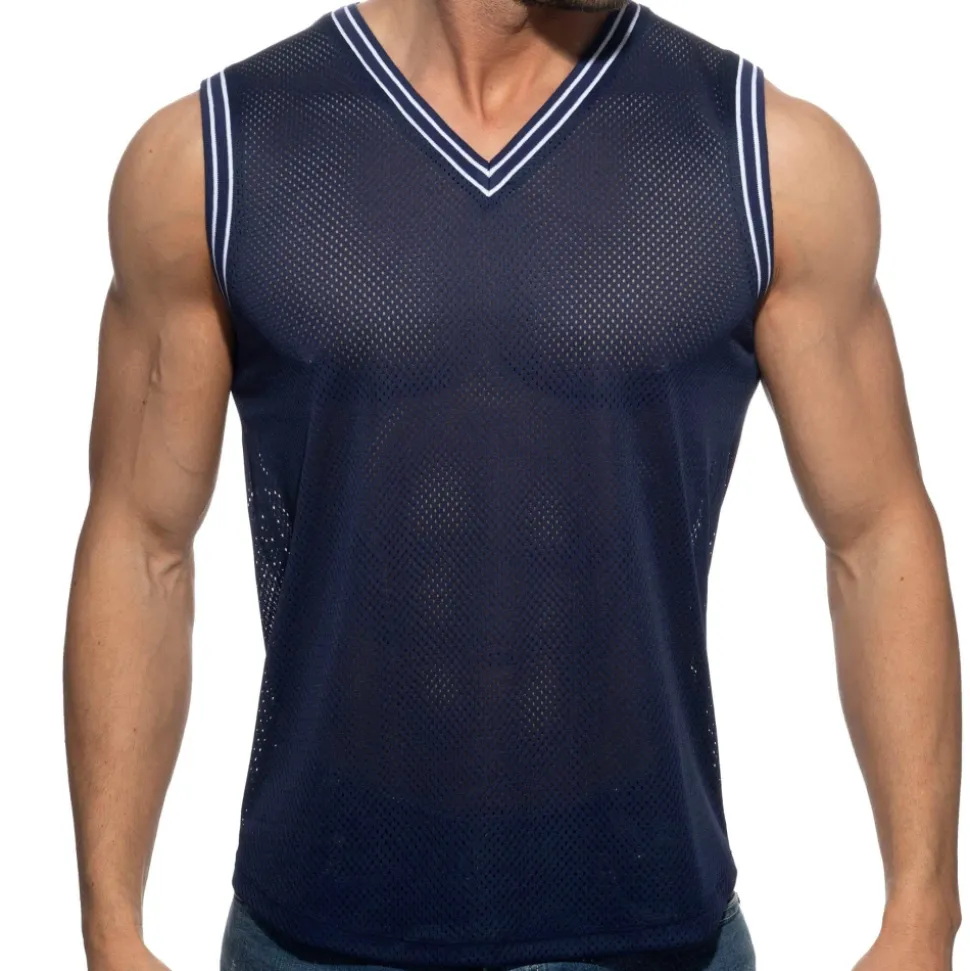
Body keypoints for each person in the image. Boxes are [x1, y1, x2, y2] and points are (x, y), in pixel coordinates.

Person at [63, 0, 962, 969]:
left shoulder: (768, 162)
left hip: (654, 933)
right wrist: (111, 928)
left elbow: (876, 531)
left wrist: (921, 910)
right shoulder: (217, 160)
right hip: (313, 934)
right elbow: (141, 542)